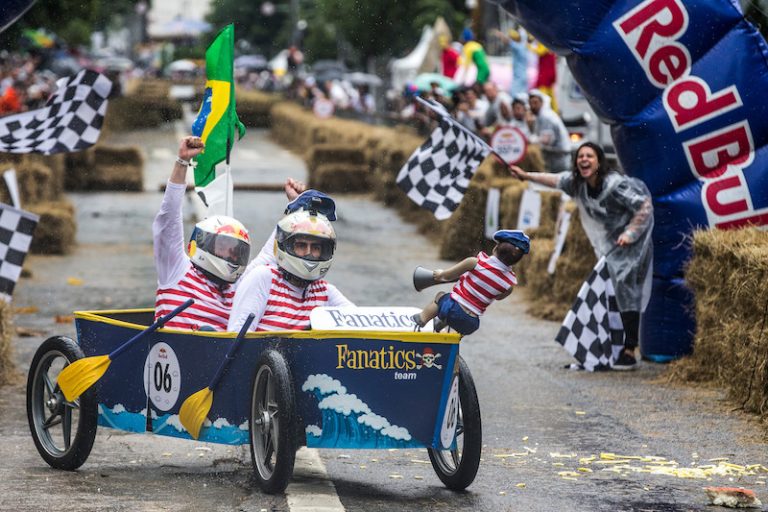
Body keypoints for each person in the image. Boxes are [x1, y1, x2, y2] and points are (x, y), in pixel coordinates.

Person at [508, 142, 654, 370]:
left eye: (589, 156)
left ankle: (629, 350)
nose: (584, 159)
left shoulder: (615, 185)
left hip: (631, 246)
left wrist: (630, 233)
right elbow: (554, 180)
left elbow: (644, 206)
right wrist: (525, 175)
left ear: (598, 162)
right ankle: (610, 345)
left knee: (626, 291)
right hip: (612, 246)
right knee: (608, 292)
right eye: (580, 156)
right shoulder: (578, 184)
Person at [153, 136, 307, 331]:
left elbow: (272, 253)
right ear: (203, 244)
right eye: (225, 248)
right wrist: (182, 162)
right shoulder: (175, 269)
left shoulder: (239, 286)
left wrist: (294, 206)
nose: (232, 256)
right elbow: (168, 218)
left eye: (237, 251)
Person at [228, 208, 353, 332]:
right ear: (285, 246)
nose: (308, 253)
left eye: (316, 247)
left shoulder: (326, 291)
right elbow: (236, 335)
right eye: (301, 246)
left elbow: (361, 325)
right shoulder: (263, 278)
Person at [411, 230, 530, 336]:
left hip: (453, 308)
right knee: (457, 319)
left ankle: (421, 319)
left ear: (495, 248)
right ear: (516, 261)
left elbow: (447, 276)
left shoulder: (475, 263)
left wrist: (439, 274)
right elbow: (498, 297)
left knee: (440, 296)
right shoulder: (509, 285)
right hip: (471, 323)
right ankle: (441, 326)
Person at [528, 88, 571, 172]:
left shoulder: (546, 116)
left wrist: (531, 140)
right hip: (554, 156)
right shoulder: (540, 116)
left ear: (542, 103)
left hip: (559, 157)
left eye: (535, 102)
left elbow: (547, 140)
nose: (532, 106)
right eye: (531, 103)